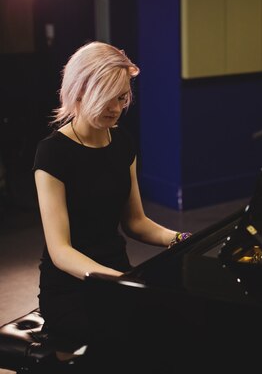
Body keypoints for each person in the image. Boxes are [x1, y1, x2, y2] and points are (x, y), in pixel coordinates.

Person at [32, 41, 191, 371]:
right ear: (79, 92)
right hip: (70, 289)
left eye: (122, 97)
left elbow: (136, 222)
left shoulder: (123, 143)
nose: (117, 107)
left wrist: (179, 239)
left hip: (117, 274)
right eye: (108, 98)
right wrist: (118, 281)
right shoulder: (52, 153)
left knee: (175, 329)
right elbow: (60, 251)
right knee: (125, 343)